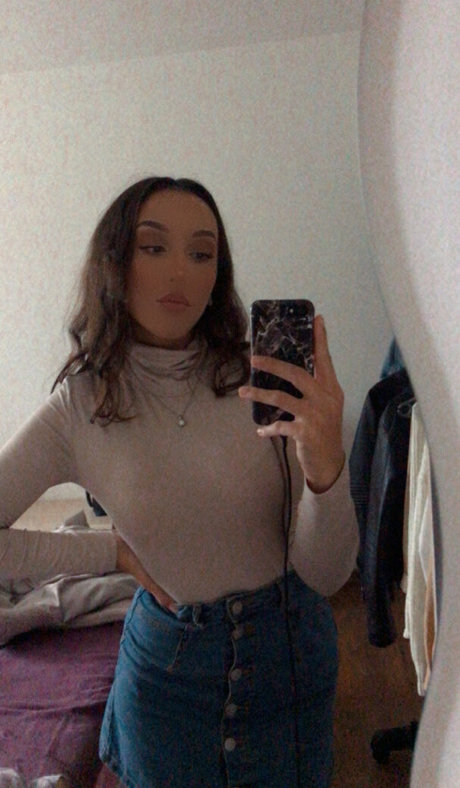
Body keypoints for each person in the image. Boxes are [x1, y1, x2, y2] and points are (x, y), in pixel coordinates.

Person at [0, 176, 358, 787]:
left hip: (290, 663)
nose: (180, 272)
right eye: (153, 247)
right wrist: (110, 553)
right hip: (169, 683)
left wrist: (326, 467)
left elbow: (326, 575)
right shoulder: (82, 406)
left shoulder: (262, 381)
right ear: (116, 261)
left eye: (201, 253)